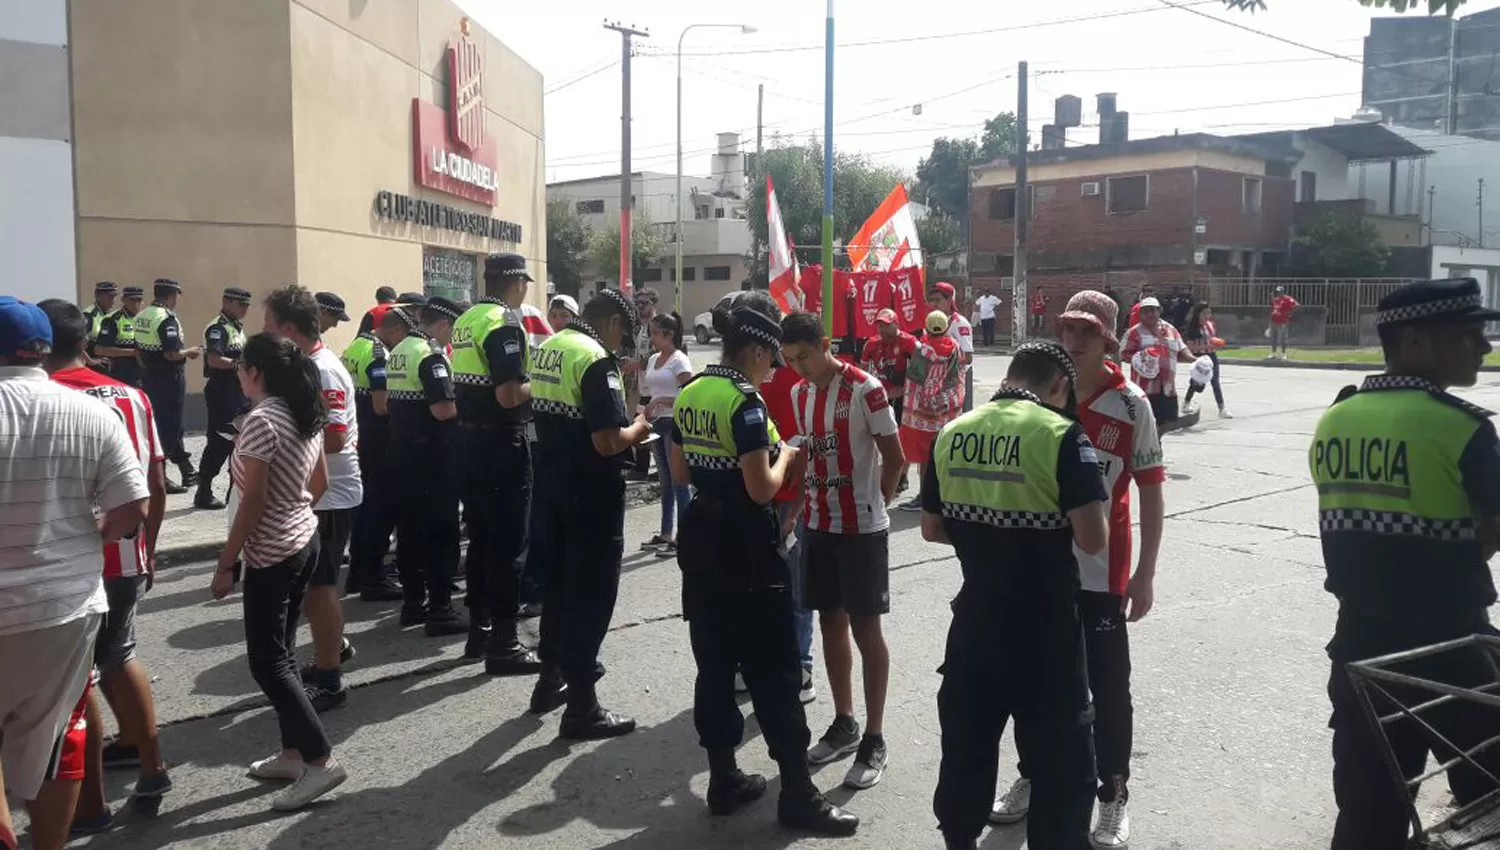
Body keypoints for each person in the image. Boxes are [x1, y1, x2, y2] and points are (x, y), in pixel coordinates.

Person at [1310, 278, 1500, 850]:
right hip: (1453, 648)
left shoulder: (1336, 418)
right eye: (1470, 337)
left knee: (1368, 813)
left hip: (1360, 642)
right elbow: (1492, 531)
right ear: (1417, 341)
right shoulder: (1463, 426)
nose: (1485, 349)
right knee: (1490, 796)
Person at [670, 301, 860, 836]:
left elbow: (681, 472)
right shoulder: (745, 404)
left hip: (702, 538)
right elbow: (761, 488)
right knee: (774, 670)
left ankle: (723, 778)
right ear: (754, 351)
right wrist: (788, 457)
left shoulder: (692, 392)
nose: (774, 369)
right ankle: (798, 793)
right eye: (771, 359)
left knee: (714, 664)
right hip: (746, 547)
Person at [990, 291, 1168, 849]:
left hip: (1102, 574)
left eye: (1086, 331)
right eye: (1067, 329)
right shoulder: (1044, 398)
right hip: (1038, 570)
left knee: (1108, 688)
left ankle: (1112, 793)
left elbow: (1151, 492)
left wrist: (1145, 573)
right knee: (1034, 679)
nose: (1073, 340)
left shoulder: (1132, 404)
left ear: (1109, 338)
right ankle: (1032, 773)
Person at [922, 341, 1110, 850]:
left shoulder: (951, 432)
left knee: (966, 748)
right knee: (1061, 761)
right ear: (1059, 386)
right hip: (1045, 628)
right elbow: (1094, 538)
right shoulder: (1062, 435)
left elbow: (931, 529)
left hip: (976, 622)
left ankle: (959, 838)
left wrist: (986, 526)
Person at [0, 297, 149, 850]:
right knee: (59, 735)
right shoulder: (91, 412)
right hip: (65, 605)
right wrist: (84, 540)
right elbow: (133, 509)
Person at [40, 300, 173, 822]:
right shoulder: (133, 396)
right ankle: (151, 763)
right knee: (119, 654)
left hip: (75, 559)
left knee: (80, 681)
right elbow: (156, 483)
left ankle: (89, 802)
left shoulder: (47, 399)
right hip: (129, 549)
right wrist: (149, 546)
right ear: (86, 343)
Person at [212, 332, 345, 810]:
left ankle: (319, 760)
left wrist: (228, 562)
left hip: (273, 553)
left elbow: (253, 500)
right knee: (282, 654)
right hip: (304, 539)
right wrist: (295, 515)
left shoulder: (262, 421)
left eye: (241, 369)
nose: (238, 377)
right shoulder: (300, 410)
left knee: (266, 662)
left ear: (256, 373)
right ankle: (293, 753)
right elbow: (321, 482)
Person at [782, 312, 905, 790]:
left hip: (861, 530)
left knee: (866, 628)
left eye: (805, 356)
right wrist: (796, 511)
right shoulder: (799, 393)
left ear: (825, 344)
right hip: (818, 526)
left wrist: (878, 501)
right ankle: (845, 720)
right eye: (790, 360)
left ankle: (875, 736)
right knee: (829, 621)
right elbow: (808, 455)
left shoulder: (865, 389)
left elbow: (894, 456)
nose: (799, 367)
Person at [528, 289, 653, 739]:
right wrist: (639, 428)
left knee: (559, 586)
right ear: (614, 324)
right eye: (623, 335)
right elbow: (608, 440)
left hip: (552, 487)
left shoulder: (550, 349)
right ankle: (582, 705)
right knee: (591, 594)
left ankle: (550, 679)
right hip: (591, 493)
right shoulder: (597, 360)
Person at [260, 287, 362, 712]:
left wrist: (282, 443)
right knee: (311, 589)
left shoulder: (322, 370)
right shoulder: (303, 365)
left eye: (267, 326)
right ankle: (331, 652)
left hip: (331, 494)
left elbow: (335, 437)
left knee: (320, 590)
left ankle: (330, 678)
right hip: (316, 491)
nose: (262, 334)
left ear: (287, 329)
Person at [450, 253, 546, 674]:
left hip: (468, 440)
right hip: (502, 442)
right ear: (515, 283)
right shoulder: (503, 323)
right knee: (509, 541)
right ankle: (505, 643)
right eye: (524, 281)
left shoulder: (467, 319)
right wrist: (538, 381)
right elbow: (509, 394)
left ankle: (479, 632)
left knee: (482, 539)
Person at [383, 298, 466, 635]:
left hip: (402, 453)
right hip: (432, 458)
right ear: (444, 324)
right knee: (442, 532)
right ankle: (441, 609)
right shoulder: (430, 355)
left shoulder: (400, 350)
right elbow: (443, 409)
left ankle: (413, 604)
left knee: (409, 532)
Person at [758, 319, 818, 706]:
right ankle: (761, 665)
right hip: (756, 497)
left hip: (791, 500)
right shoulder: (744, 384)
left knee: (797, 591)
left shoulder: (800, 386)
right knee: (761, 589)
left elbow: (808, 448)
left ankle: (802, 667)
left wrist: (796, 507)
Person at [342, 304, 403, 602]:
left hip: (361, 435)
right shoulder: (379, 354)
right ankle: (373, 578)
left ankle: (357, 573)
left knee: (364, 509)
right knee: (380, 511)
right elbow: (382, 405)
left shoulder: (355, 346)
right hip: (379, 439)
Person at [134, 278, 203, 491]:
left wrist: (146, 369)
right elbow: (172, 354)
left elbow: (137, 350)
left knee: (159, 424)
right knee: (169, 427)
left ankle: (184, 470)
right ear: (172, 296)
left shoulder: (142, 316)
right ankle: (160, 477)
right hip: (169, 380)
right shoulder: (166, 319)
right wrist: (190, 352)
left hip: (150, 378)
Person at [896, 311, 966, 512]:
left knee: (925, 457)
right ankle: (943, 494)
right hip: (946, 410)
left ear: (926, 328)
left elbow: (916, 378)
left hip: (922, 414)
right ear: (945, 329)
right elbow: (956, 375)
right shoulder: (955, 348)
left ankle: (925, 497)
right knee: (941, 452)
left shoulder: (922, 351)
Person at [640, 311, 694, 556]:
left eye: (654, 333)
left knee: (679, 481)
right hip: (657, 424)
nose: (651, 338)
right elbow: (651, 391)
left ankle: (683, 536)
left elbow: (690, 392)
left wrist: (662, 400)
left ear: (668, 334)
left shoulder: (679, 360)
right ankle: (665, 532)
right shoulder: (653, 360)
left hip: (674, 423)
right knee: (665, 481)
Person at [195, 286, 252, 509]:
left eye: (247, 305)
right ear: (227, 302)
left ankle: (233, 490)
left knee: (240, 441)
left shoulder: (235, 327)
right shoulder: (217, 328)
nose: (245, 309)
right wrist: (239, 364)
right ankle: (204, 490)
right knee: (220, 440)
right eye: (241, 305)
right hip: (222, 389)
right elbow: (214, 359)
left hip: (238, 390)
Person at [1120, 296, 1199, 431]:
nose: (1150, 313)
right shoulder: (1134, 332)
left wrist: (1194, 360)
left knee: (1165, 427)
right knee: (1145, 428)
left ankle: (1158, 449)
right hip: (1144, 390)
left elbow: (1182, 349)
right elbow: (1123, 354)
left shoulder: (1171, 330)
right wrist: (1140, 358)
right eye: (1146, 311)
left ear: (1159, 311)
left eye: (1153, 310)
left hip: (1168, 389)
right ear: (1140, 314)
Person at [620, 288, 660, 482]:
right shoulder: (636, 327)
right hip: (639, 384)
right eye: (637, 303)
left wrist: (636, 363)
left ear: (654, 304)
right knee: (640, 422)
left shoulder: (659, 325)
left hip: (657, 385)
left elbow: (659, 353)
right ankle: (642, 466)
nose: (640, 307)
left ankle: (653, 468)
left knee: (653, 425)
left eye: (644, 303)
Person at [927, 282, 974, 411]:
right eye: (931, 301)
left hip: (954, 384)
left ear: (949, 300)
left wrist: (944, 359)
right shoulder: (930, 321)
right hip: (935, 385)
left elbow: (968, 357)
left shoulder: (959, 324)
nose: (934, 304)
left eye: (938, 300)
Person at [1181, 301, 1230, 419]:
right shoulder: (1193, 328)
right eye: (1204, 313)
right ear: (1198, 314)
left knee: (1215, 382)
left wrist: (1216, 342)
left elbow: (1211, 338)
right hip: (1199, 357)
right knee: (1196, 383)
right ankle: (1186, 403)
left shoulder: (1210, 324)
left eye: (1209, 313)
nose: (1207, 316)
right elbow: (1190, 347)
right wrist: (1206, 347)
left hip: (1211, 356)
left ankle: (1222, 408)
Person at [94, 286, 144, 389]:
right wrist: (132, 352)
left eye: (139, 300)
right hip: (120, 375)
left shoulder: (145, 319)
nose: (136, 304)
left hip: (143, 376)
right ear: (123, 300)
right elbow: (100, 350)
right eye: (132, 300)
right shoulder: (113, 320)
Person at [82, 281, 117, 367]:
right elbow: (77, 343)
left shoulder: (109, 314)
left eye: (114, 297)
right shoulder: (89, 315)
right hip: (92, 366)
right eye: (109, 297)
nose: (113, 301)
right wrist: (90, 361)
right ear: (98, 296)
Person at [1268, 285, 1299, 360]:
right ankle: (1273, 353)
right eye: (1277, 292)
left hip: (1282, 321)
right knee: (1273, 337)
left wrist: (1289, 313)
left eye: (1280, 291)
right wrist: (1271, 297)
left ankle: (1283, 354)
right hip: (1273, 320)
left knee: (1282, 338)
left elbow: (1297, 305)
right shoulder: (1276, 299)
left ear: (1283, 291)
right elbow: (1274, 305)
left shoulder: (1288, 299)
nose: (1279, 293)